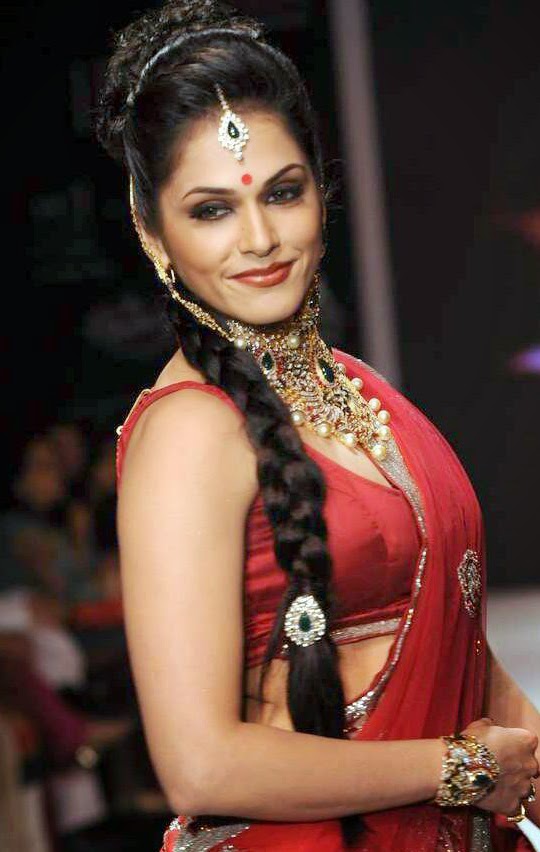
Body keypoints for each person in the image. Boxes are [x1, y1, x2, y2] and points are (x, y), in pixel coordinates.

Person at [95, 1, 539, 849]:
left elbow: (467, 661)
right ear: (153, 234)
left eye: (283, 193)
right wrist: (460, 768)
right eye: (212, 210)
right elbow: (200, 765)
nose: (260, 238)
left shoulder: (361, 388)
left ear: (322, 194)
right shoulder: (190, 434)